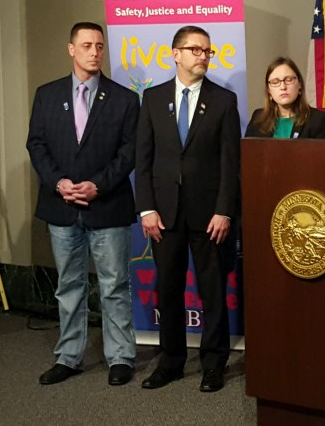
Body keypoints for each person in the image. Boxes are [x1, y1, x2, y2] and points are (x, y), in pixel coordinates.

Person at [25, 22, 139, 386]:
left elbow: (129, 152)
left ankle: (120, 357)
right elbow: (36, 145)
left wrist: (98, 185)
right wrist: (59, 183)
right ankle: (69, 356)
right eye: (87, 45)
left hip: (107, 206)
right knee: (69, 285)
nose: (95, 51)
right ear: (71, 49)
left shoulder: (123, 98)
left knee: (114, 285)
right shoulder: (47, 94)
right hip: (61, 207)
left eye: (100, 46)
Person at [135, 25, 240, 393]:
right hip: (164, 215)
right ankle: (171, 362)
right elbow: (143, 159)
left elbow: (231, 163)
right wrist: (146, 208)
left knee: (212, 291)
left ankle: (213, 364)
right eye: (196, 50)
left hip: (209, 216)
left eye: (208, 51)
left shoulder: (224, 101)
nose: (203, 57)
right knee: (168, 290)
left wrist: (224, 210)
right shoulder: (152, 98)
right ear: (175, 54)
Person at [245, 57, 325, 139]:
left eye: (289, 80)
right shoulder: (258, 118)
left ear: (299, 85)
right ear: (269, 91)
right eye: (275, 82)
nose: (283, 87)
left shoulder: (319, 120)